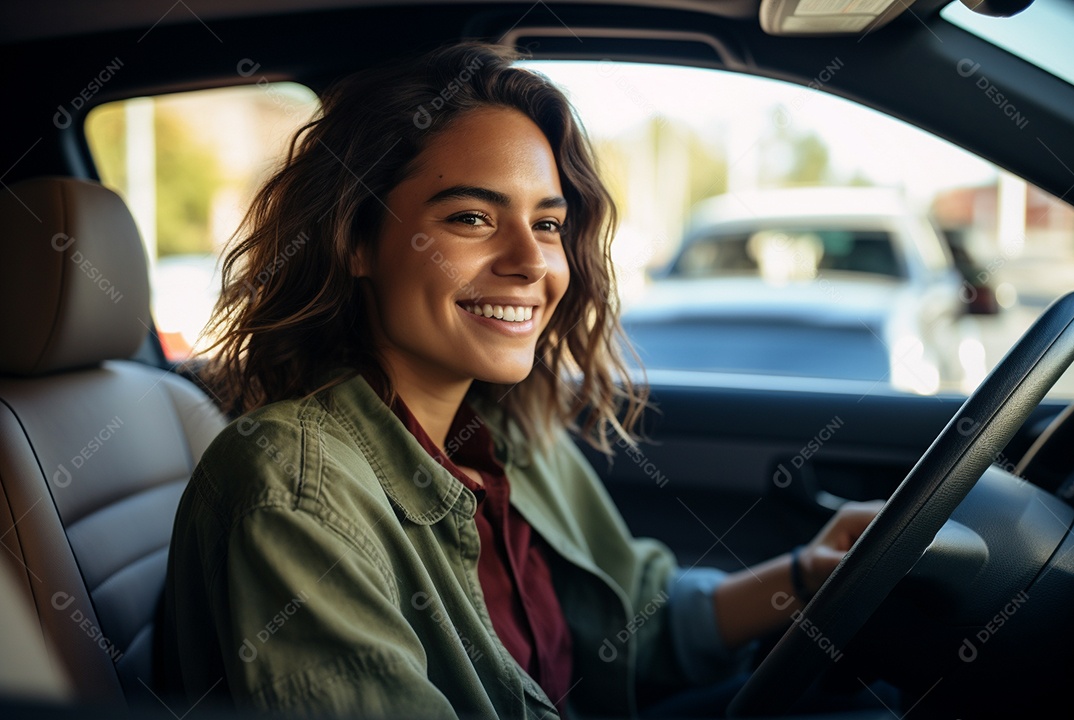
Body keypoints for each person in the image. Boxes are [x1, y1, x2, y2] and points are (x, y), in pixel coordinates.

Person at [161, 41, 882, 719]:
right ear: (356, 241)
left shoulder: (504, 433)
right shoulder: (293, 491)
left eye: (547, 224)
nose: (532, 263)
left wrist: (808, 574)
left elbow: (635, 620)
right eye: (473, 217)